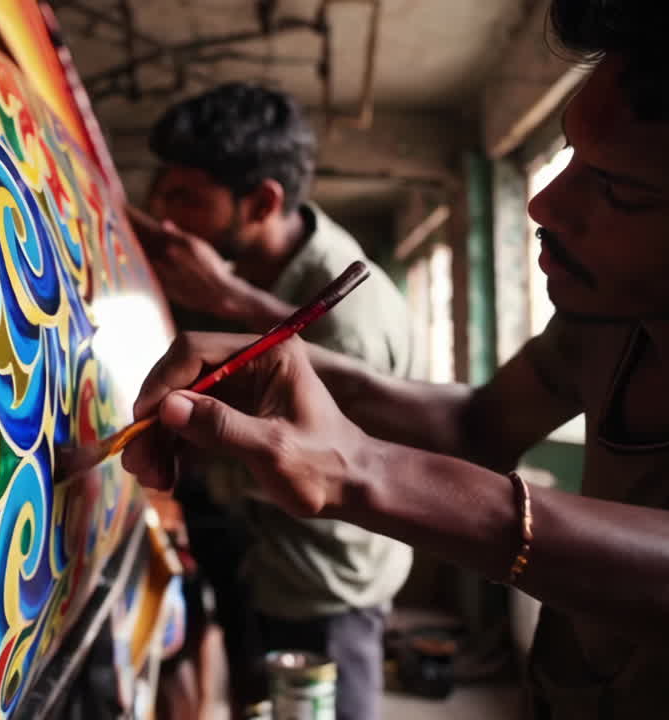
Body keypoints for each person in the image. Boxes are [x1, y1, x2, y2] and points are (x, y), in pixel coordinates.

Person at [124, 2, 669, 717]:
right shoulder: (609, 321)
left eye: (620, 189)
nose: (545, 203)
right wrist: (295, 362)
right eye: (572, 157)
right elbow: (476, 426)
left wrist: (361, 470)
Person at [134, 83, 412, 720]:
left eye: (185, 198)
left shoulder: (349, 317)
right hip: (256, 557)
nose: (167, 217)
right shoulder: (232, 269)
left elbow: (342, 466)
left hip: (322, 584)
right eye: (161, 193)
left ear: (262, 202)